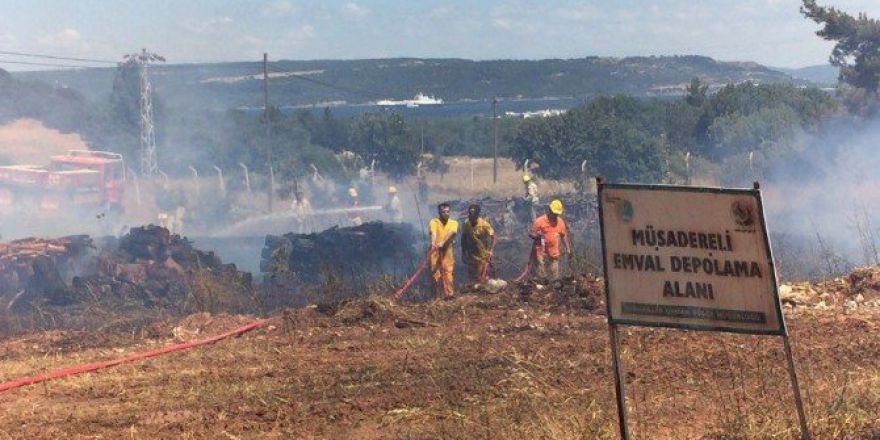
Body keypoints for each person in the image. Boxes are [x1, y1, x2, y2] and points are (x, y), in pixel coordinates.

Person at [529, 199, 572, 281]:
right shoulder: (539, 221)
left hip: (554, 252)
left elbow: (563, 235)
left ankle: (554, 288)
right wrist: (537, 236)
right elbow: (531, 234)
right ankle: (542, 286)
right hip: (541, 252)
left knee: (555, 276)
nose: (555, 215)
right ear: (549, 210)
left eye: (557, 214)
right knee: (541, 275)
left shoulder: (560, 222)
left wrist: (568, 248)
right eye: (554, 213)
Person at [461, 204, 495, 287]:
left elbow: (493, 237)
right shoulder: (466, 223)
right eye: (469, 213)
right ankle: (474, 290)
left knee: (483, 274)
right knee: (472, 274)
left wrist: (490, 250)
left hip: (483, 254)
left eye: (473, 213)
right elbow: (464, 237)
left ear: (477, 214)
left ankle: (483, 290)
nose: (470, 215)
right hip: (471, 254)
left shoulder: (484, 224)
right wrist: (464, 251)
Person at [429, 202, 459, 299]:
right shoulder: (434, 222)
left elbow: (452, 233)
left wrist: (443, 242)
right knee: (436, 274)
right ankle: (438, 296)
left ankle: (449, 295)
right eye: (443, 212)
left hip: (447, 252)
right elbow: (433, 232)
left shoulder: (454, 223)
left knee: (448, 273)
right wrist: (433, 243)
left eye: (447, 211)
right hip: (435, 252)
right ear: (439, 212)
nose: (446, 213)